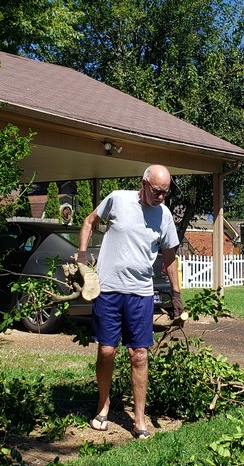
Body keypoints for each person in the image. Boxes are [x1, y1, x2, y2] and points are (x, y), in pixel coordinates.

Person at [77, 164, 183, 439]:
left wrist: (176, 294)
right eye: (157, 191)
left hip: (140, 293)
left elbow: (169, 255)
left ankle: (138, 418)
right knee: (106, 350)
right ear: (144, 183)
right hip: (109, 289)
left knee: (139, 354)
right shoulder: (117, 199)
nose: (161, 197)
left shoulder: (164, 215)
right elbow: (89, 221)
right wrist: (81, 256)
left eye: (166, 192)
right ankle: (103, 404)